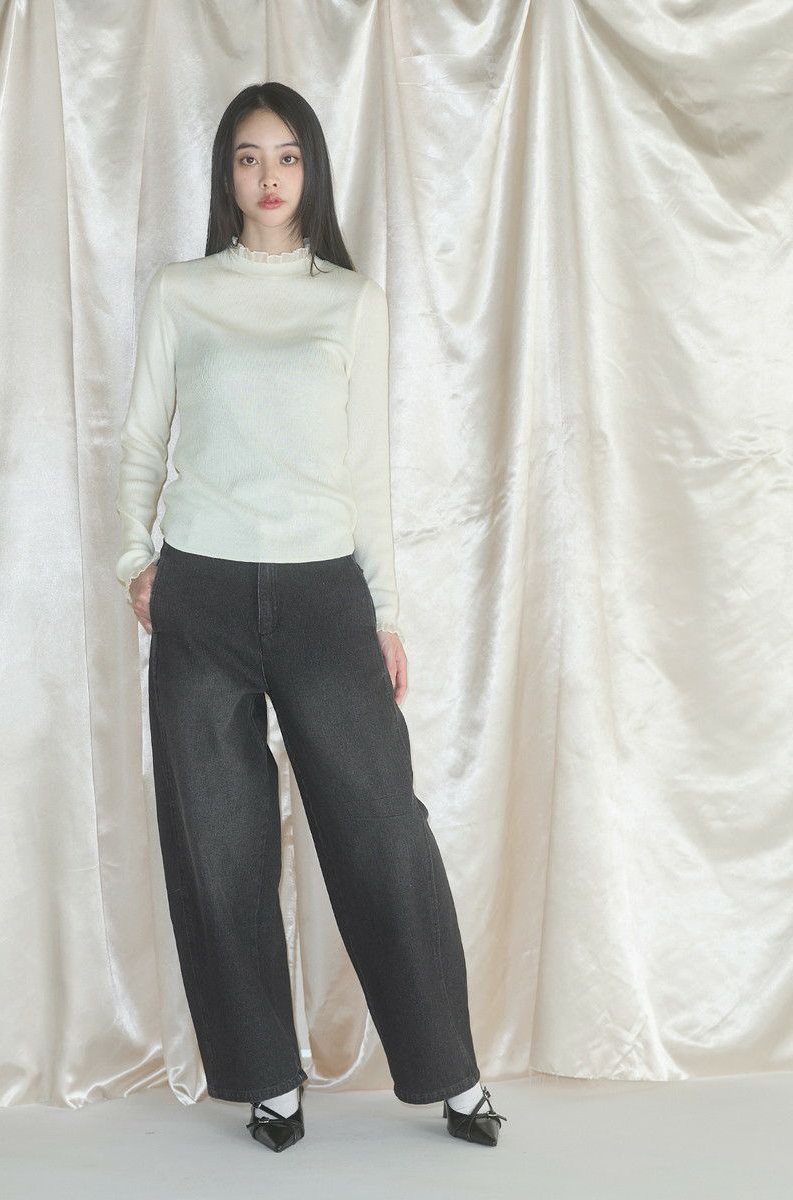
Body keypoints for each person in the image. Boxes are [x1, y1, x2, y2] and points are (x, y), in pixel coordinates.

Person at [116, 81, 507, 1154]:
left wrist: (384, 614)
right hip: (200, 591)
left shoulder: (351, 302)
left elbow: (364, 470)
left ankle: (452, 1071)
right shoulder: (182, 292)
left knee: (382, 829)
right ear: (226, 174)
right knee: (218, 841)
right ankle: (266, 1081)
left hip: (322, 594)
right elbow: (142, 439)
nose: (269, 177)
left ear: (312, 171)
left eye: (287, 156)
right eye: (248, 157)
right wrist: (134, 564)